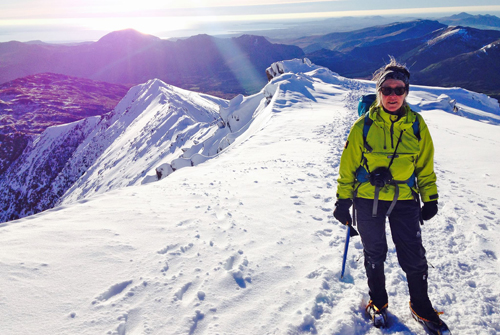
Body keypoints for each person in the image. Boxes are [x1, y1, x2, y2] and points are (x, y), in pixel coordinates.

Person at [333, 58, 451, 334]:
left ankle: (421, 305)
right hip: (367, 199)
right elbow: (347, 166)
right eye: (387, 90)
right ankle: (378, 301)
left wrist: (430, 198)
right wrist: (342, 200)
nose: (393, 95)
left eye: (400, 90)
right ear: (379, 92)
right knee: (375, 253)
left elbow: (424, 165)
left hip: (405, 200)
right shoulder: (363, 126)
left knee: (414, 255)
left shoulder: (417, 125)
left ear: (407, 92)